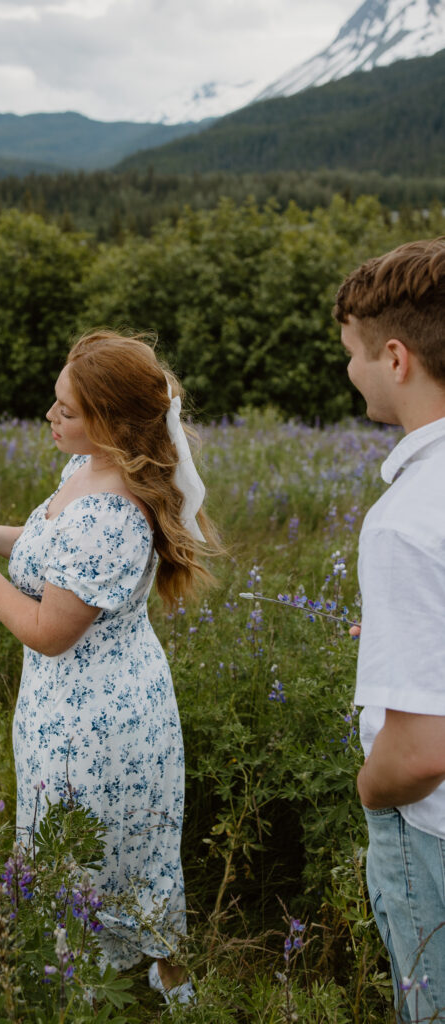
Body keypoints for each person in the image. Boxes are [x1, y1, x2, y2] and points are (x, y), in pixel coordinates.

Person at [0, 329, 217, 1002]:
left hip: (95, 719)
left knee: (95, 851)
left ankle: (106, 988)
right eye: (54, 403)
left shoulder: (111, 512)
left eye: (65, 410)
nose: (50, 418)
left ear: (110, 420)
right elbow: (53, 549)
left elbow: (46, 630)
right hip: (77, 705)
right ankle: (132, 975)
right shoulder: (85, 468)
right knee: (112, 847)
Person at [333, 237, 445, 1022]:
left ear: (396, 359)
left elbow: (418, 755)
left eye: (352, 353)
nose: (348, 371)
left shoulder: (404, 519)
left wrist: (374, 794)